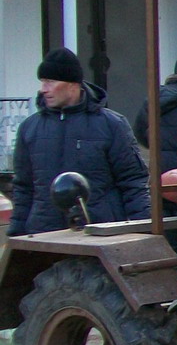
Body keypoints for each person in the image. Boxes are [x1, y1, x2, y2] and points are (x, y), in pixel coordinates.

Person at [8, 48, 149, 235]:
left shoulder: (111, 125)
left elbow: (133, 182)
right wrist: (16, 234)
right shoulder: (30, 128)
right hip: (44, 237)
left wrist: (144, 231)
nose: (43, 89)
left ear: (73, 84)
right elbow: (23, 187)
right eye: (42, 82)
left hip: (100, 236)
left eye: (50, 82)